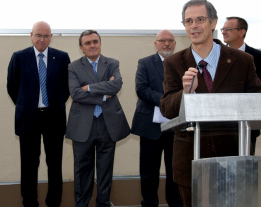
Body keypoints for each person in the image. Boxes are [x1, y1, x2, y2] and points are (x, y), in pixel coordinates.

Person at [159, 0, 261, 207]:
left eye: (200, 19)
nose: (194, 26)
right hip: (190, 160)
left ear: (213, 23)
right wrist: (185, 92)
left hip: (233, 156)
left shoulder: (242, 60)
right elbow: (166, 107)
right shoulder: (174, 63)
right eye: (188, 21)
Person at [7, 21, 70, 207]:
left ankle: (54, 201)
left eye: (46, 35)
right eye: (38, 35)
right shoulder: (19, 57)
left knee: (54, 164)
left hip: (54, 118)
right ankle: (29, 202)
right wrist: (26, 104)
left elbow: (66, 88)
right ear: (31, 35)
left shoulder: (61, 57)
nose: (42, 39)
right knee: (29, 165)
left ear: (51, 37)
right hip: (29, 118)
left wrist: (54, 104)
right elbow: (12, 87)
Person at [66, 30, 130, 207]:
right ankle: (82, 204)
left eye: (95, 41)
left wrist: (88, 88)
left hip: (107, 123)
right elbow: (75, 93)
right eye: (87, 43)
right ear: (81, 47)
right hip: (82, 125)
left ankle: (103, 203)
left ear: (100, 43)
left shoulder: (112, 63)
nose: (92, 45)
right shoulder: (73, 67)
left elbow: (116, 84)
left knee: (105, 169)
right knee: (82, 170)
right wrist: (103, 95)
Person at [131, 30, 183, 207]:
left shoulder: (183, 63)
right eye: (162, 40)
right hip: (150, 126)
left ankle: (175, 203)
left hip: (176, 126)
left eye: (170, 40)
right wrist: (168, 100)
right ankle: (149, 203)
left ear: (175, 43)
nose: (166, 44)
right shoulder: (145, 63)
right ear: (156, 44)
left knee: (174, 170)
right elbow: (141, 89)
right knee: (148, 171)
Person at [221, 16, 261, 153]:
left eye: (228, 29)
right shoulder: (217, 55)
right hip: (221, 123)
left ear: (242, 32)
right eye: (223, 29)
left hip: (248, 124)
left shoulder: (257, 57)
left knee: (246, 166)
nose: (224, 32)